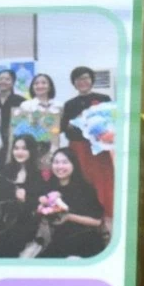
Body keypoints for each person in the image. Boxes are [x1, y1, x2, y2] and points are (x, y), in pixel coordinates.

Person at [0, 134, 46, 257]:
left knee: (9, 245)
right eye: (16, 148)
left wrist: (25, 199)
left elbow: (38, 205)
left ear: (31, 151)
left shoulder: (37, 176)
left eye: (24, 148)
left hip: (22, 226)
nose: (19, 152)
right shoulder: (5, 171)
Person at [61, 65, 115, 220]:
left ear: (92, 80)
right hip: (78, 148)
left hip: (99, 148)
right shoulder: (70, 104)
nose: (82, 81)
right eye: (78, 79)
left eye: (85, 78)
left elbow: (111, 123)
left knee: (103, 180)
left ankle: (107, 214)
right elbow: (66, 129)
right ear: (74, 83)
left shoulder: (104, 99)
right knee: (82, 179)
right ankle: (86, 214)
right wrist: (77, 122)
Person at [37, 147, 106, 258]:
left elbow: (97, 222)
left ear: (74, 165)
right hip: (59, 240)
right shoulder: (50, 187)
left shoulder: (85, 188)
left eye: (65, 162)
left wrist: (69, 217)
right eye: (56, 162)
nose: (60, 166)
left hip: (85, 240)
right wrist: (42, 209)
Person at [0, 67, 27, 153]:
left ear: (13, 83)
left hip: (14, 141)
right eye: (0, 79)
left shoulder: (21, 101)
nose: (3, 81)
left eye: (7, 79)